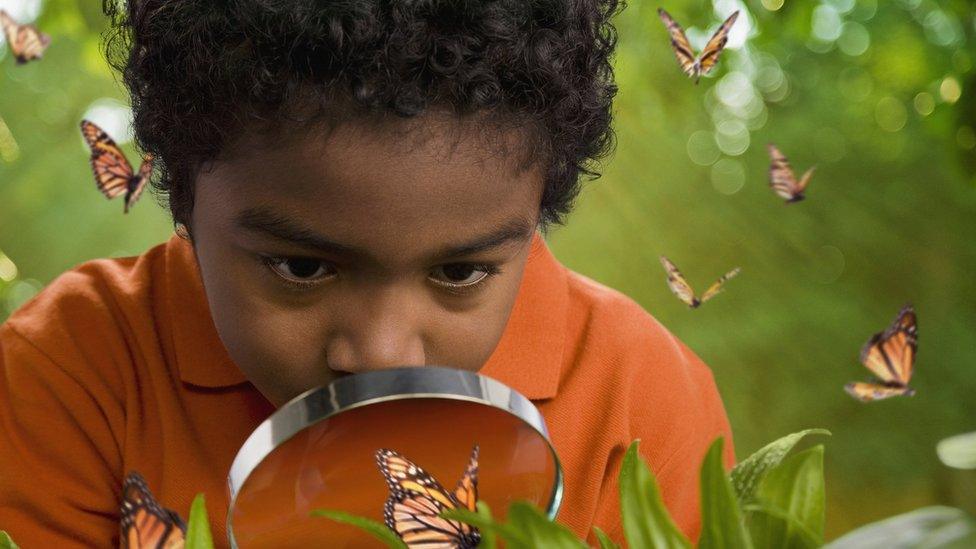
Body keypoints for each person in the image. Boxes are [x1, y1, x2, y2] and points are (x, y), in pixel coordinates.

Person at [0, 0, 733, 546]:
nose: (382, 353)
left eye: (459, 272)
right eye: (302, 266)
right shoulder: (69, 376)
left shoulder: (642, 403)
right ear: (184, 199)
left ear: (537, 212)